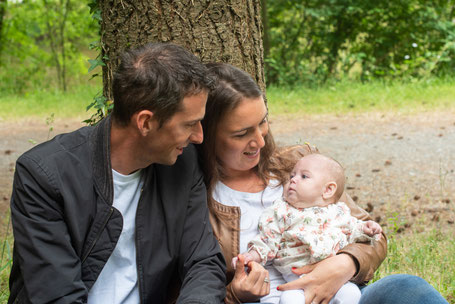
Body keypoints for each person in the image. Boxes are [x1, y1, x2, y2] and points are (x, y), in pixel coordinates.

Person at [198, 62, 449, 304]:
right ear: (205, 134)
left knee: (407, 288)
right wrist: (234, 296)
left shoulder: (299, 163)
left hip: (342, 294)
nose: (260, 142)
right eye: (242, 134)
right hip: (273, 298)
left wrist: (345, 263)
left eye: (262, 122)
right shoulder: (197, 199)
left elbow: (371, 237)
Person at [9, 43, 226, 304]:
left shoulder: (182, 163)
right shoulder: (43, 175)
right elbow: (57, 295)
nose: (199, 137)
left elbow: (203, 262)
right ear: (145, 122)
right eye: (190, 124)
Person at [234, 153, 382, 304]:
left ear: (328, 190)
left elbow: (353, 230)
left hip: (333, 279)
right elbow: (267, 239)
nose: (293, 179)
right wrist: (252, 255)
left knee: (351, 293)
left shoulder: (338, 212)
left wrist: (367, 229)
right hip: (294, 280)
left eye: (304, 176)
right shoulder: (281, 211)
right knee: (289, 300)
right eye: (292, 175)